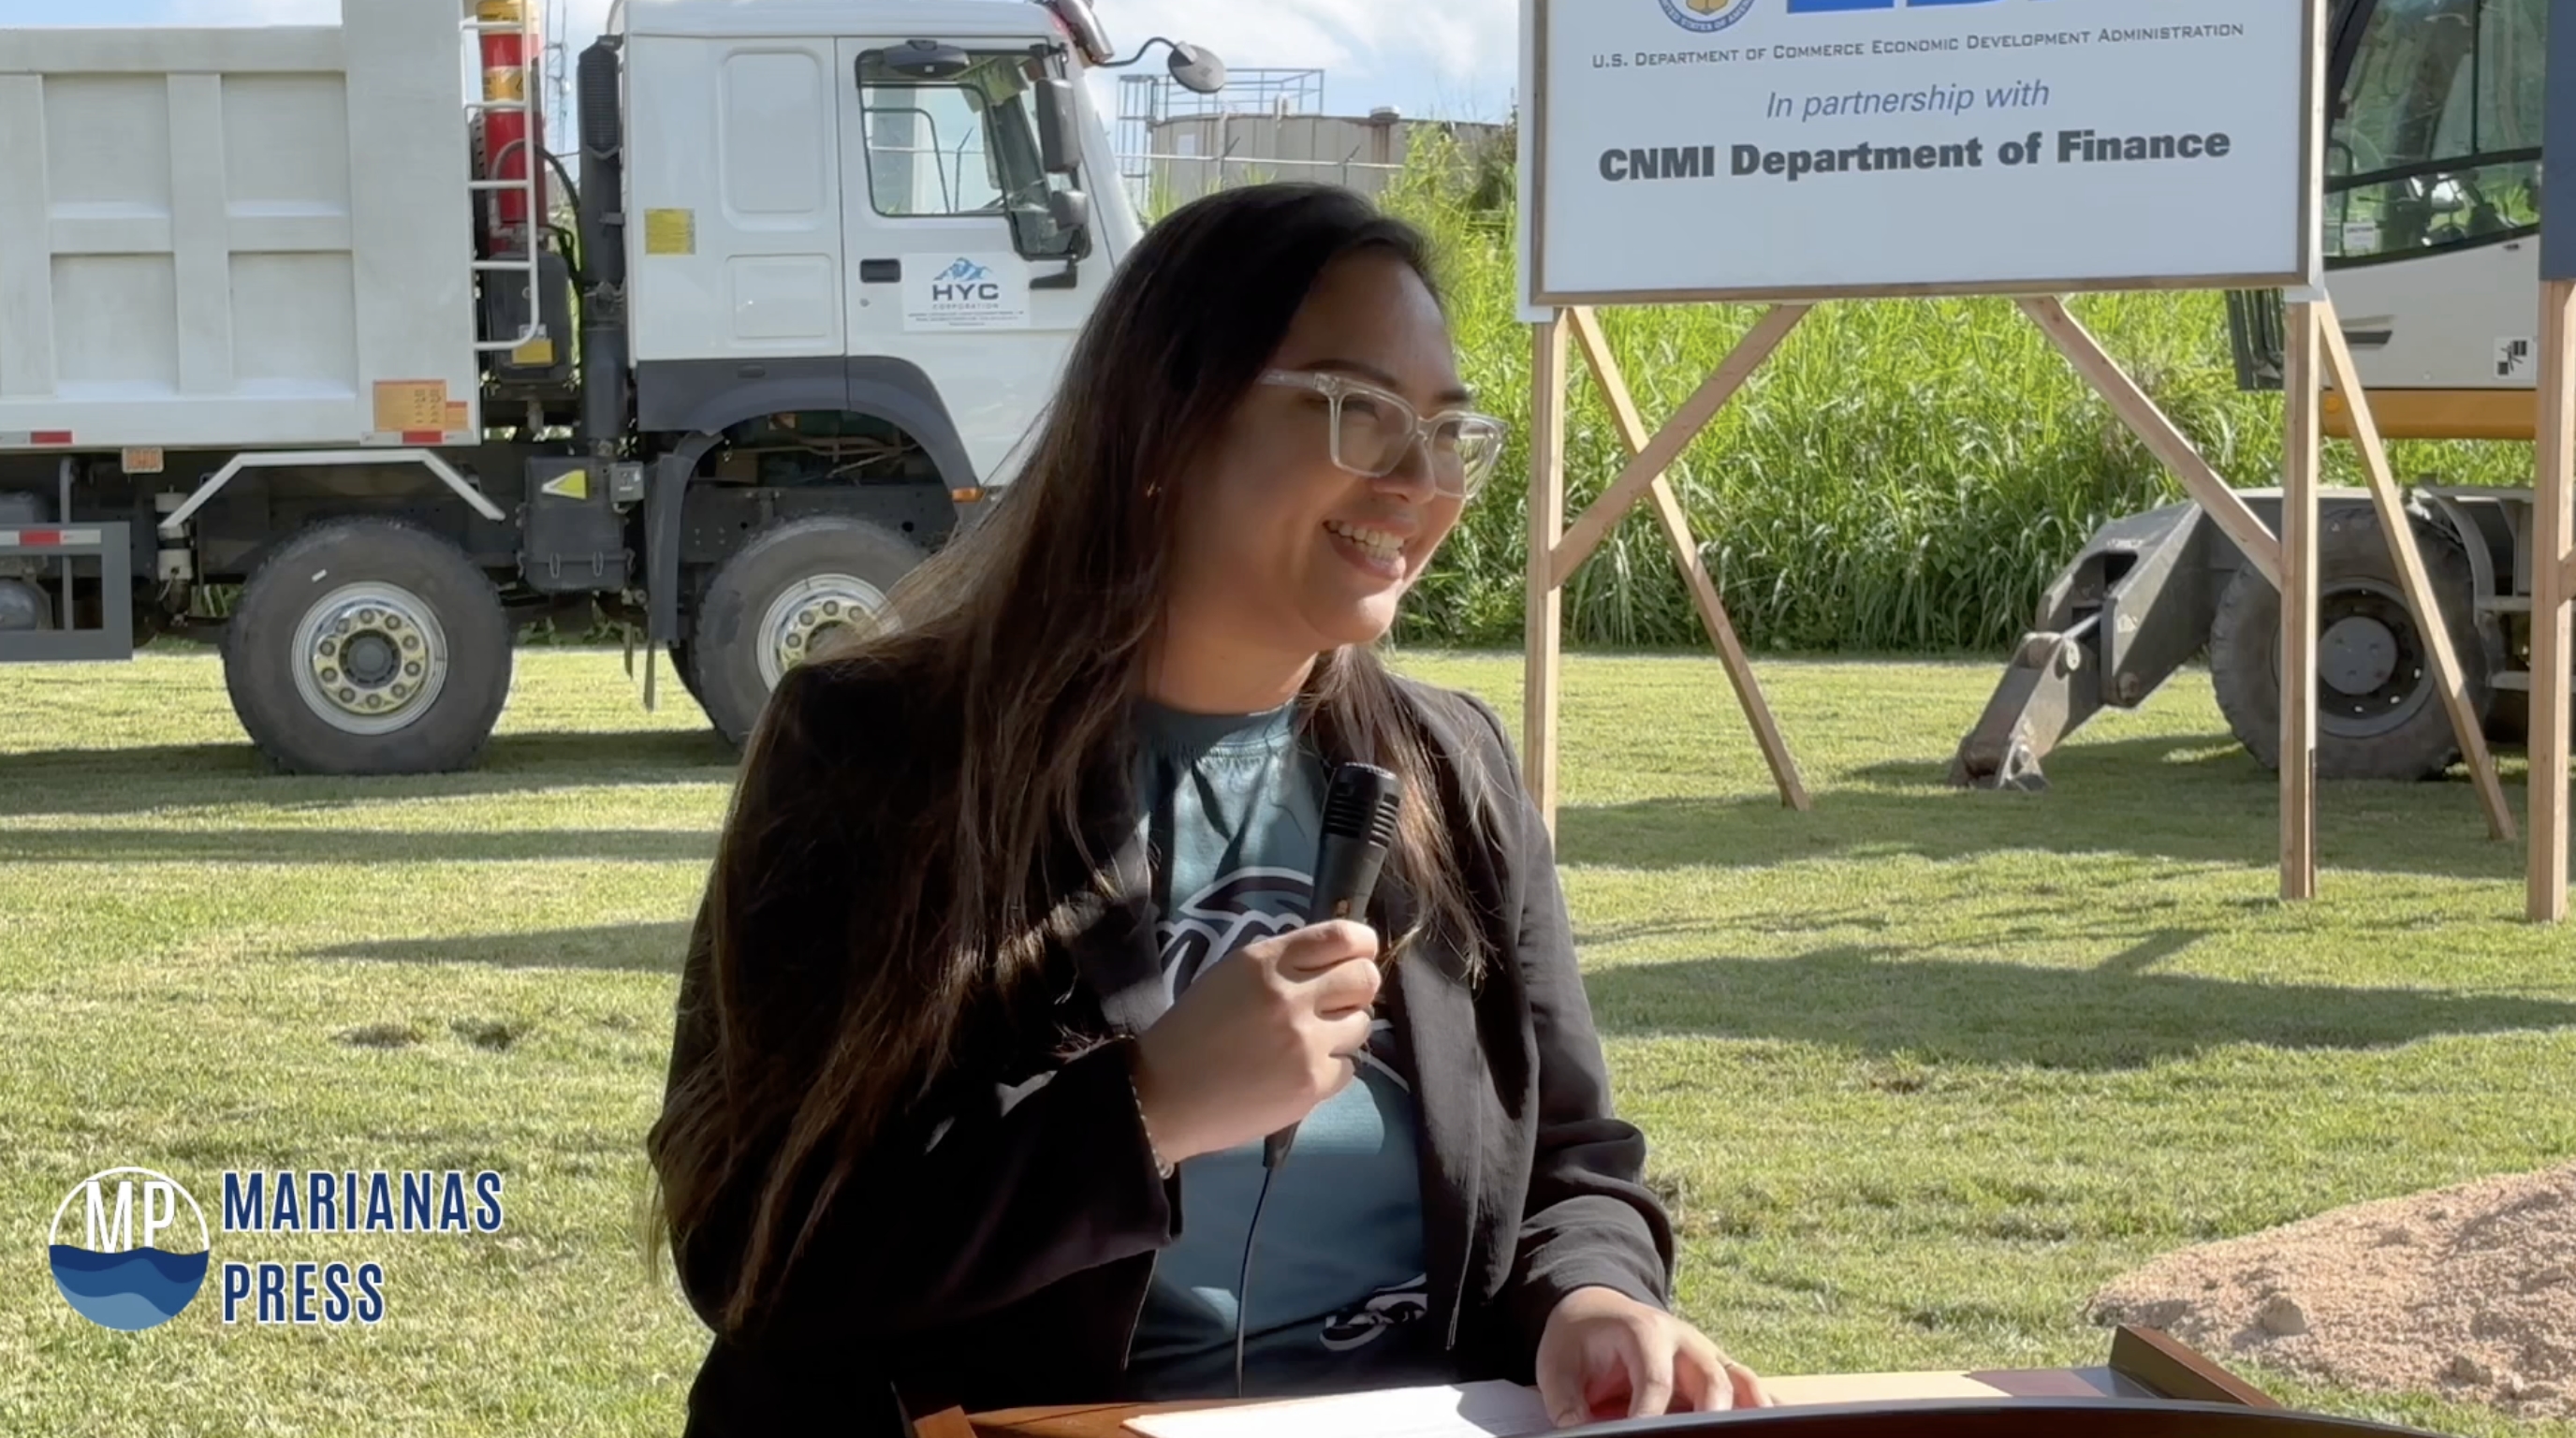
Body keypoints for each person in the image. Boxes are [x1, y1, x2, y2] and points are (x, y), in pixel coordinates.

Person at [642, 182, 1771, 1436]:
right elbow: (756, 1244)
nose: (1421, 479)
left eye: (1449, 429)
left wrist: (1593, 1297)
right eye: (1358, 410)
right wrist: (1150, 1109)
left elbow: (1567, 1163)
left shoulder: (1454, 768)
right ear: (1165, 428)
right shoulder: (878, 751)